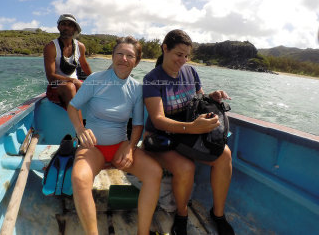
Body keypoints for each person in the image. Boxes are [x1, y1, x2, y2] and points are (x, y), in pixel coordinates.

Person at [142, 29, 234, 235]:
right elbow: (157, 120)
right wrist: (192, 128)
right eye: (178, 54)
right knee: (185, 167)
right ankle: (182, 214)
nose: (183, 60)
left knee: (224, 155)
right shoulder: (152, 79)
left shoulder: (191, 72)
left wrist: (213, 96)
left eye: (186, 56)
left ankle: (218, 214)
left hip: (186, 135)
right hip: (160, 138)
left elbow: (198, 101)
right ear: (165, 48)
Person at [67, 36, 162, 235]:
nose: (124, 59)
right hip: (93, 148)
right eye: (119, 53)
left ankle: (142, 232)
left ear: (136, 62)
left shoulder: (136, 88)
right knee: (79, 178)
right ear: (112, 56)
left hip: (120, 146)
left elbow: (137, 124)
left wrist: (130, 146)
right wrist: (80, 130)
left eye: (130, 56)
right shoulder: (95, 80)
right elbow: (73, 107)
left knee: (154, 172)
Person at [44, 13, 92, 107]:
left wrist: (95, 81)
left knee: (90, 88)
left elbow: (85, 66)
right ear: (58, 27)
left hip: (75, 83)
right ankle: (77, 121)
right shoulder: (51, 47)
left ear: (74, 29)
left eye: (70, 25)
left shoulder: (80, 46)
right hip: (56, 87)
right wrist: (72, 80)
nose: (66, 27)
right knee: (69, 87)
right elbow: (50, 77)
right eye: (63, 24)